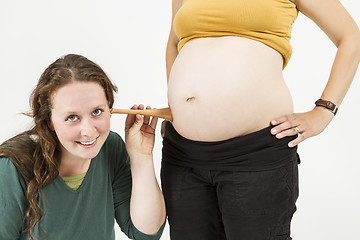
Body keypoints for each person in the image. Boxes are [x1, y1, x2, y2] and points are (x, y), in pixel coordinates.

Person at [161, 0, 360, 239]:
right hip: (184, 154)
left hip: (255, 153)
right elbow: (174, 44)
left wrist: (325, 110)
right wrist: (179, 107)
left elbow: (351, 37)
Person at [0, 54, 166, 240]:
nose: (87, 131)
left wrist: (141, 156)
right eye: (72, 117)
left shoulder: (111, 147)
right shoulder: (13, 166)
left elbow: (146, 233)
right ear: (49, 121)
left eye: (97, 111)